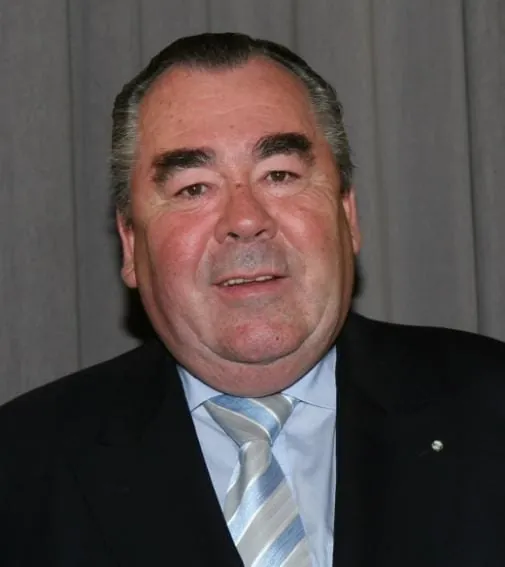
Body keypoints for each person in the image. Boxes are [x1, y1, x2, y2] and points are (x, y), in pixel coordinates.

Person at [0, 32, 504, 567]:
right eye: (194, 188)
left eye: (279, 175)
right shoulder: (21, 472)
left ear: (347, 215)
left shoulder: (491, 410)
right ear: (130, 244)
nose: (245, 220)